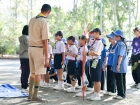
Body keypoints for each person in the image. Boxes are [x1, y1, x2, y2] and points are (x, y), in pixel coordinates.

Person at [28, 4, 51, 102]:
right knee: (38, 73)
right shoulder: (43, 21)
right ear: (48, 12)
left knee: (32, 73)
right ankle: (35, 96)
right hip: (38, 49)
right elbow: (45, 41)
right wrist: (46, 57)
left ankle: (30, 95)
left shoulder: (32, 20)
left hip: (31, 48)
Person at [86, 28, 103, 100]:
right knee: (94, 78)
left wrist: (87, 53)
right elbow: (87, 42)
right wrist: (88, 35)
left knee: (97, 78)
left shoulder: (99, 42)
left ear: (98, 33)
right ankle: (95, 93)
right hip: (92, 61)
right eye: (92, 33)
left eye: (94, 33)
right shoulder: (93, 41)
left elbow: (97, 53)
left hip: (96, 60)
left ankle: (97, 95)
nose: (92, 34)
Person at [112, 30, 127, 100]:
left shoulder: (121, 44)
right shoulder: (118, 43)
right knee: (118, 80)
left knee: (120, 80)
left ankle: (122, 94)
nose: (114, 36)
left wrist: (118, 65)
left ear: (119, 36)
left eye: (115, 35)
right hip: (118, 65)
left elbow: (120, 55)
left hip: (120, 66)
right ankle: (119, 93)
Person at [19, 25, 30, 93]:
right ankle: (24, 87)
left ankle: (23, 85)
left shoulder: (21, 37)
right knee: (26, 72)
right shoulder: (27, 38)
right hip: (27, 56)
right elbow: (28, 46)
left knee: (23, 71)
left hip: (22, 56)